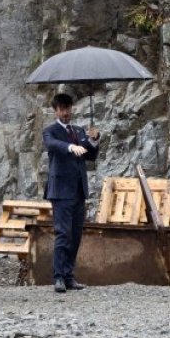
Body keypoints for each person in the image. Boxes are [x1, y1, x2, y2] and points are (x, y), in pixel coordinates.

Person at [42, 93, 100, 293]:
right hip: (60, 191)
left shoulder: (78, 130)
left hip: (78, 190)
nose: (66, 113)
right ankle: (58, 276)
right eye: (62, 109)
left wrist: (93, 140)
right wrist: (70, 146)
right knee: (63, 233)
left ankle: (69, 276)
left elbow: (90, 156)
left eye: (68, 108)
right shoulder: (50, 131)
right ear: (55, 110)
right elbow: (53, 145)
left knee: (75, 235)